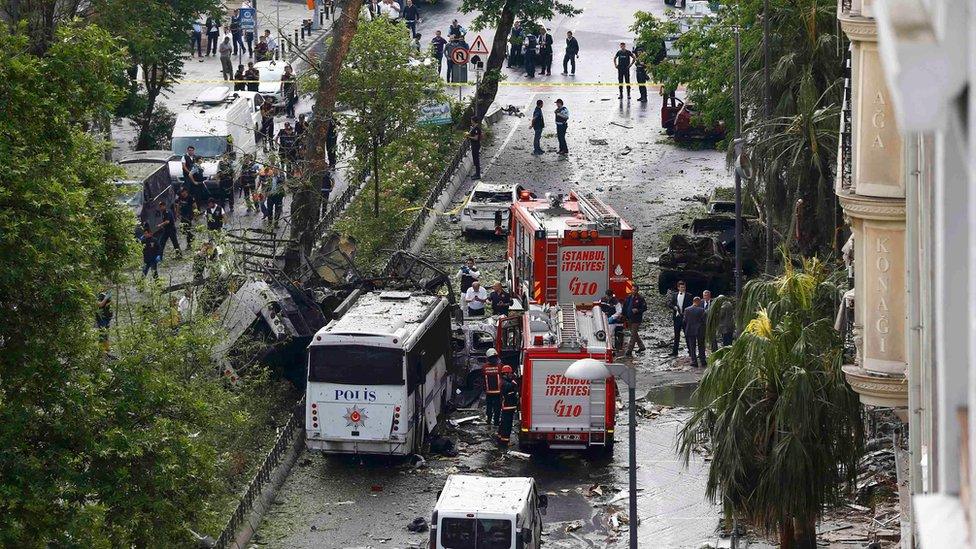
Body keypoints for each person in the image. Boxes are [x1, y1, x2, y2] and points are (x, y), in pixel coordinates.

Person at [666, 280, 691, 356]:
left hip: (685, 317)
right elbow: (669, 304)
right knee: (676, 335)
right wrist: (674, 307)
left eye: (684, 287)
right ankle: (675, 351)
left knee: (687, 335)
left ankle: (690, 351)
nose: (683, 289)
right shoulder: (674, 295)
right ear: (678, 288)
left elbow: (690, 306)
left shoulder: (689, 295)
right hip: (676, 317)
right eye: (681, 287)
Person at [495, 365, 519, 446]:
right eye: (510, 373)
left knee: (503, 423)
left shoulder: (503, 381)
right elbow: (511, 386)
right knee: (507, 425)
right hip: (508, 406)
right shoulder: (505, 383)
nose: (511, 375)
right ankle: (505, 442)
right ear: (506, 374)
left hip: (507, 406)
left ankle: (500, 438)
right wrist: (514, 380)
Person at [623, 284, 648, 356]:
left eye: (635, 290)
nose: (633, 291)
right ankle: (642, 346)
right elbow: (625, 307)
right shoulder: (628, 297)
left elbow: (645, 308)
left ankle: (629, 350)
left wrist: (638, 310)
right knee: (634, 334)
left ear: (637, 290)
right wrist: (623, 315)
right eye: (632, 289)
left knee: (633, 335)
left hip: (636, 319)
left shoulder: (640, 298)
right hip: (629, 318)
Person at [683, 297, 708, 367]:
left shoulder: (687, 310)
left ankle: (694, 362)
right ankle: (703, 361)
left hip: (690, 330)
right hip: (700, 330)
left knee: (692, 346)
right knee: (701, 346)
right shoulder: (702, 310)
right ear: (698, 302)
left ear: (693, 301)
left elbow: (684, 321)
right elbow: (704, 321)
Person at [483, 348, 502, 427]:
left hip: (489, 392)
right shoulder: (500, 367)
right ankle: (496, 422)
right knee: (497, 408)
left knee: (489, 407)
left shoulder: (484, 367)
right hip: (498, 392)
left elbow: (483, 379)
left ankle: (489, 420)